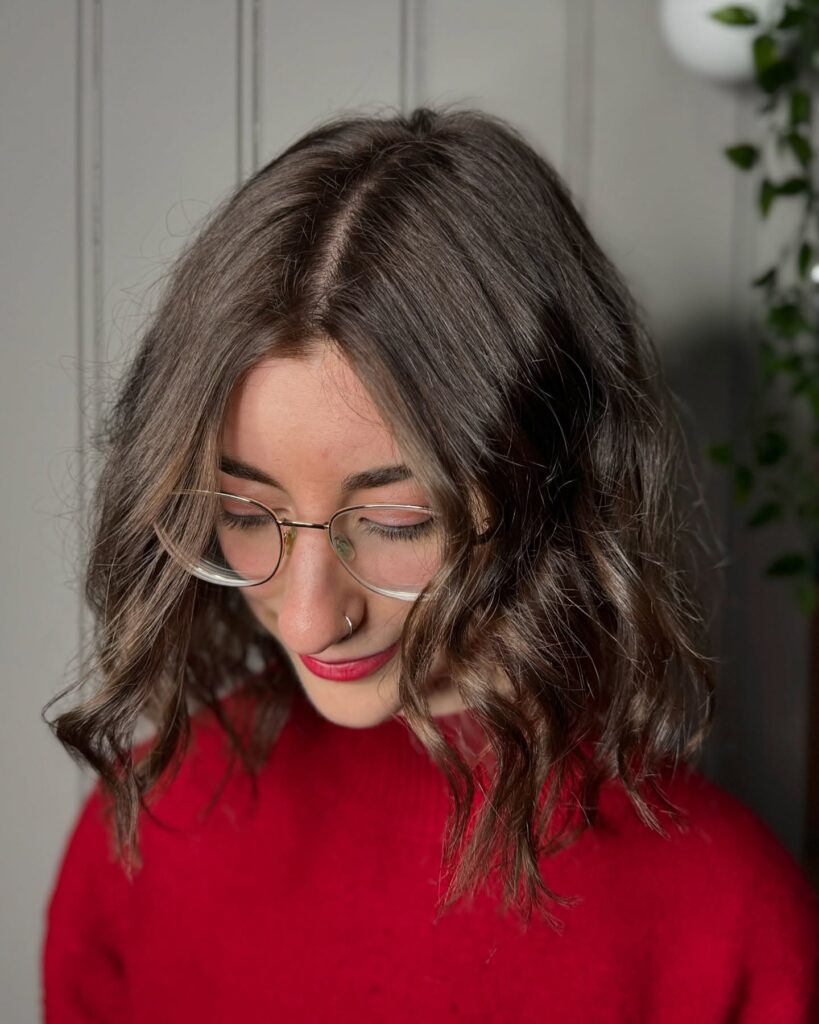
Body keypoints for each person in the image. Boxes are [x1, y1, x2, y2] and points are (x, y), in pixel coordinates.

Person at [41, 105, 818, 1023]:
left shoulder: (729, 921)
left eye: (395, 522)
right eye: (245, 513)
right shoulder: (144, 828)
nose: (308, 618)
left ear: (545, 475)